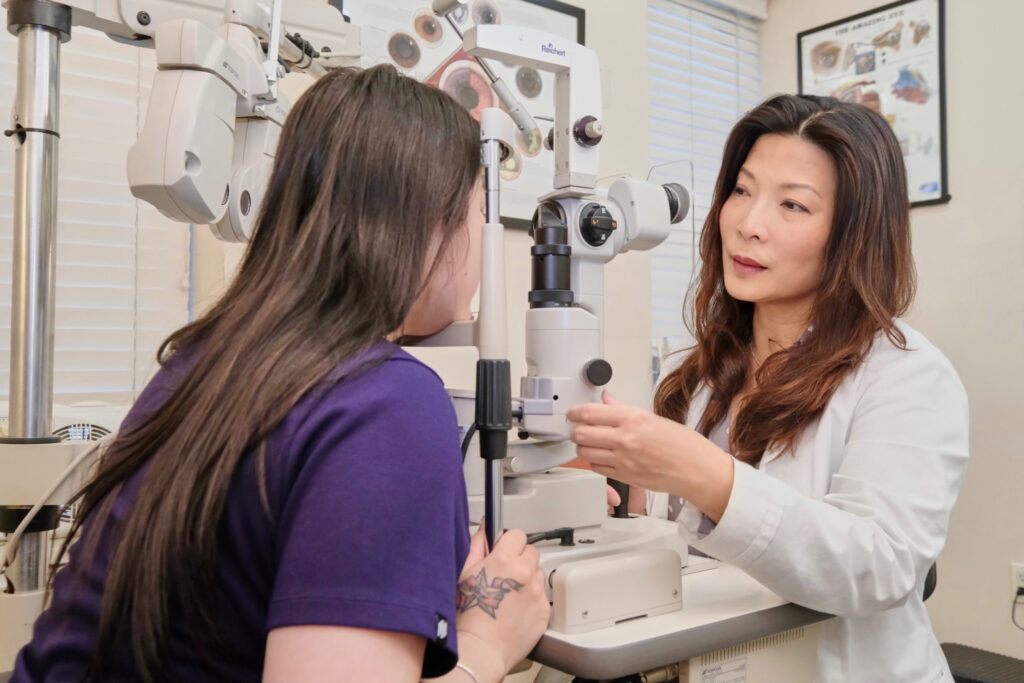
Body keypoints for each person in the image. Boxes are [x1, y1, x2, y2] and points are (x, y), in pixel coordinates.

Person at [11, 65, 549, 683]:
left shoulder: (206, 362)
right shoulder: (387, 400)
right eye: (481, 209)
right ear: (430, 224)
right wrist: (487, 643)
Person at [569, 94, 968, 682]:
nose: (749, 225)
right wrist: (624, 492)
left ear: (854, 234)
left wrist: (703, 473)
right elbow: (692, 543)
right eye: (742, 191)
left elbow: (879, 567)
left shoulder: (906, 374)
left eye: (793, 205)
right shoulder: (703, 371)